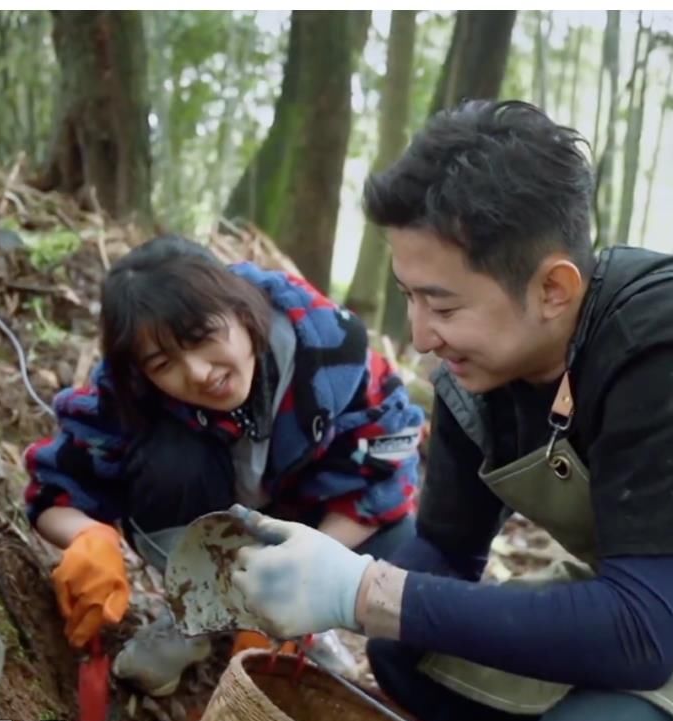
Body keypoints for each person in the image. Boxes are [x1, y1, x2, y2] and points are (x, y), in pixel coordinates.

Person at [224, 99, 673, 721]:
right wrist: (320, 590)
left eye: (444, 307)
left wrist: (365, 591)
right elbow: (445, 552)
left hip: (669, 621)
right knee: (401, 651)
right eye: (409, 298)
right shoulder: (475, 379)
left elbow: (643, 632)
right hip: (636, 602)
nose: (421, 336)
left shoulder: (671, 345)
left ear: (552, 290)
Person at [22, 234, 426, 695]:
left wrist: (301, 577)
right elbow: (52, 490)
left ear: (241, 308)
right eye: (163, 362)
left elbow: (385, 475)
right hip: (212, 525)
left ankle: (299, 625)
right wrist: (88, 537)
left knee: (409, 548)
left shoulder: (330, 348)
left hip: (315, 521)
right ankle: (196, 614)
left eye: (202, 338)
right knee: (169, 460)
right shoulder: (129, 390)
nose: (197, 372)